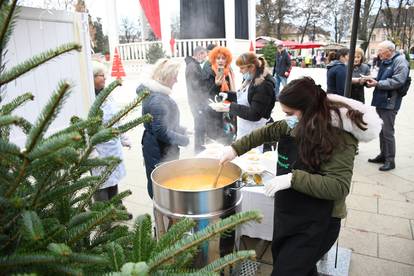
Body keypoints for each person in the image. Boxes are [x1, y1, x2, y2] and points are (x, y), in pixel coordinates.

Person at [220, 77, 382, 276]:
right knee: (295, 265)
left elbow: (338, 185)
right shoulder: (295, 123)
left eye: (290, 113)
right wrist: (235, 149)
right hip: (290, 212)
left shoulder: (340, 136)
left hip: (321, 221)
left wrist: (292, 179)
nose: (287, 117)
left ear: (309, 109)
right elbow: (265, 132)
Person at [137, 59, 189, 198]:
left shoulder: (155, 94)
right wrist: (185, 140)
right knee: (162, 185)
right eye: (174, 76)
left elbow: (164, 123)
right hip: (159, 149)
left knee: (159, 182)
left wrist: (182, 130)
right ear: (166, 77)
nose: (176, 80)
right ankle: (162, 214)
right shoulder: (158, 99)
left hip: (154, 145)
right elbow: (161, 131)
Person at [210, 52, 275, 152]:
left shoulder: (264, 85)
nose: (240, 71)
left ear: (252, 67)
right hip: (244, 129)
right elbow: (245, 98)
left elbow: (255, 114)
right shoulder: (249, 80)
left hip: (256, 133)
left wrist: (230, 107)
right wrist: (228, 95)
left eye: (242, 68)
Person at [91, 60, 132, 208]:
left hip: (113, 145)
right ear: (93, 77)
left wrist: (123, 137)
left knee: (114, 178)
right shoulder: (88, 98)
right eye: (101, 75)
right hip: (98, 148)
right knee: (101, 181)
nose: (105, 78)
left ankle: (116, 207)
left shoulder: (107, 94)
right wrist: (89, 150)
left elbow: (116, 117)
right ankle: (103, 215)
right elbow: (84, 126)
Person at [365, 40, 410, 171]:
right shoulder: (386, 61)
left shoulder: (400, 61)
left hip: (390, 101)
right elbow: (382, 77)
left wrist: (377, 84)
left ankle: (390, 160)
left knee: (388, 132)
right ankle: (383, 155)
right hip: (381, 99)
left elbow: (398, 81)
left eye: (380, 50)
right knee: (381, 130)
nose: (378, 53)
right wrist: (372, 79)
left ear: (389, 51)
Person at [204, 46, 236, 144]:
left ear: (227, 59)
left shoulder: (229, 71)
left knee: (230, 138)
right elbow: (207, 94)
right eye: (218, 58)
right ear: (214, 59)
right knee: (219, 141)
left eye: (223, 58)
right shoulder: (209, 72)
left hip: (227, 110)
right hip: (215, 113)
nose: (221, 61)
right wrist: (216, 85)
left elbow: (231, 90)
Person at [185, 46, 208, 153]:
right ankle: (199, 150)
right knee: (199, 127)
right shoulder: (192, 66)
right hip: (196, 103)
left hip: (196, 102)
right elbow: (194, 87)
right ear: (198, 54)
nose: (205, 56)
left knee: (200, 126)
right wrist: (199, 105)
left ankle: (199, 148)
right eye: (203, 54)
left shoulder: (194, 65)